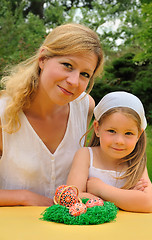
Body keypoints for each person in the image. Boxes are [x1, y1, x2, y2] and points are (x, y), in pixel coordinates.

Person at [0, 23, 104, 206]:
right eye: (67, 65)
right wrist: (26, 197)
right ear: (43, 59)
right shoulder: (3, 113)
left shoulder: (85, 107)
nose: (73, 81)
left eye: (85, 74)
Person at [67, 91, 152, 213]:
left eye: (128, 133)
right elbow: (73, 196)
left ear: (138, 135)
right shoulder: (86, 155)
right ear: (97, 128)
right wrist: (128, 197)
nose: (119, 141)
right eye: (111, 131)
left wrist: (100, 189)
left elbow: (147, 203)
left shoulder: (135, 162)